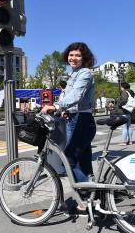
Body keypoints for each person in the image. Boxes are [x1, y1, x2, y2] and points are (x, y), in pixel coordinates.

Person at [41, 42, 96, 190]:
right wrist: (64, 110)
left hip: (82, 121)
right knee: (84, 161)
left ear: (84, 57)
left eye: (78, 55)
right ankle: (92, 196)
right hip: (75, 118)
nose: (73, 58)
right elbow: (70, 95)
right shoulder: (74, 74)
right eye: (71, 54)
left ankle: (88, 196)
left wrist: (56, 106)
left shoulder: (85, 73)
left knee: (68, 161)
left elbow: (77, 95)